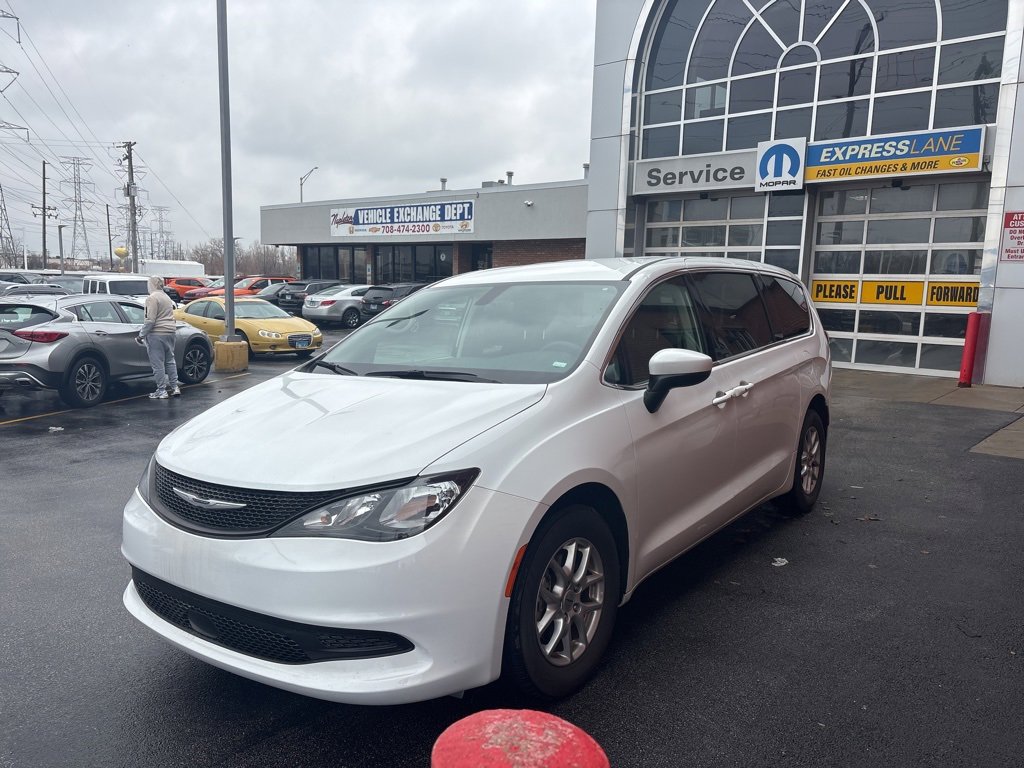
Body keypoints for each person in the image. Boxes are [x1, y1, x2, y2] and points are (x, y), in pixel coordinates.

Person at [138, 276, 181, 399]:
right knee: (170, 361)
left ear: (151, 285)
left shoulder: (152, 298)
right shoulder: (166, 297)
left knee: (158, 364)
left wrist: (141, 335)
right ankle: (174, 387)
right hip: (170, 332)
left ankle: (161, 390)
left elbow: (150, 320)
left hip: (156, 333)